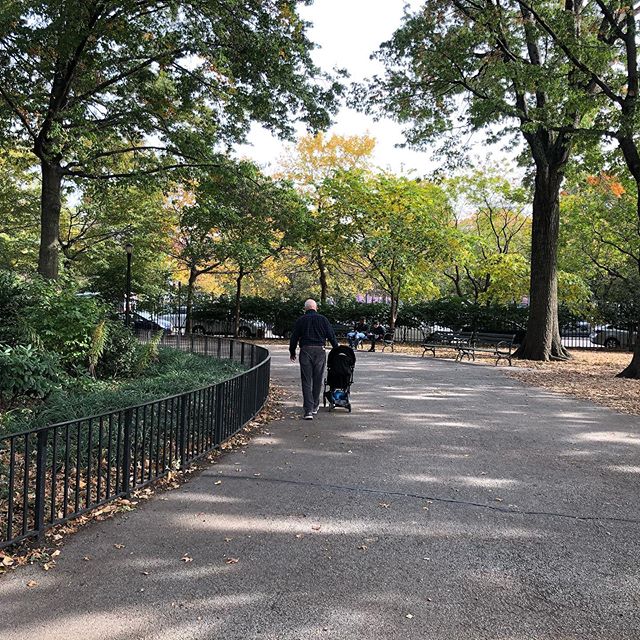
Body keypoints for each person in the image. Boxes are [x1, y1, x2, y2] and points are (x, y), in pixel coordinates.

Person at [289, 299, 339, 420]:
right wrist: (336, 350)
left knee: (306, 380)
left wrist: (292, 351)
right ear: (316, 308)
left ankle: (308, 410)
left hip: (305, 350)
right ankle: (315, 405)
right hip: (319, 350)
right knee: (318, 379)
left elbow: (294, 337)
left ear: (305, 309)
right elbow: (331, 335)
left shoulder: (301, 320)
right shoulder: (323, 319)